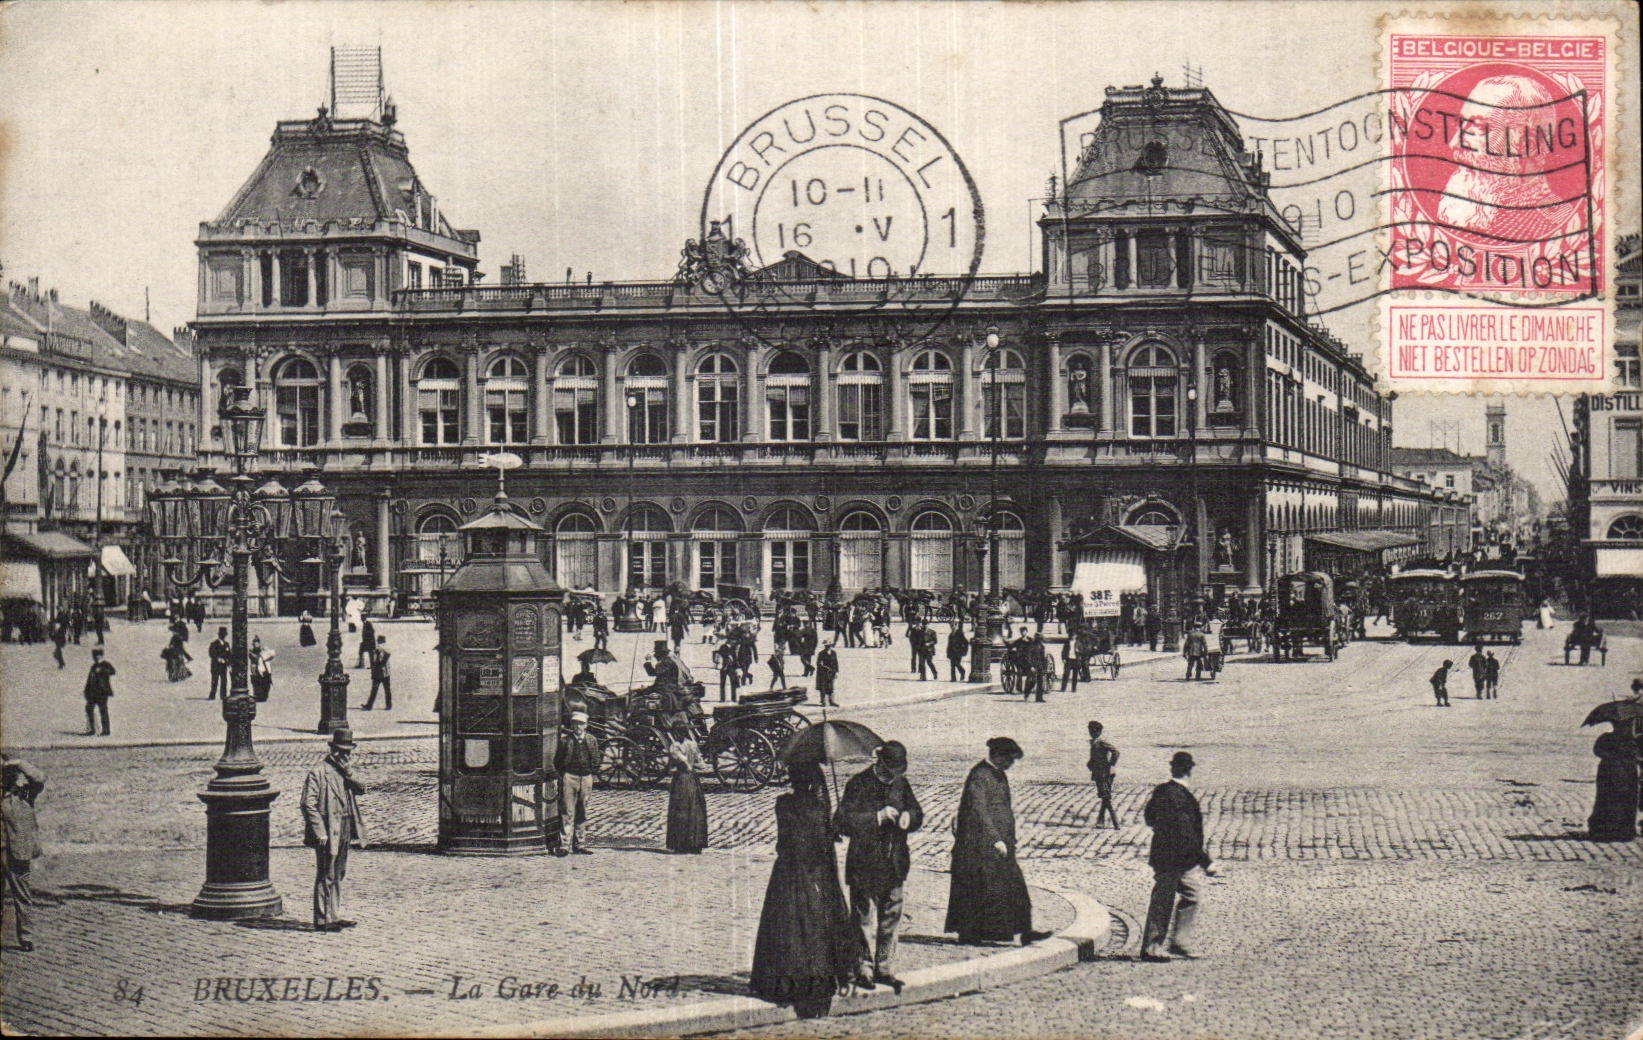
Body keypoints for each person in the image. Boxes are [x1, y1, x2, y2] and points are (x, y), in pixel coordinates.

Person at [750, 762, 858, 1016]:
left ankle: (778, 981)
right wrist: (832, 829)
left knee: (784, 927)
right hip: (814, 875)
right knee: (814, 929)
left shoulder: (784, 805)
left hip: (786, 874)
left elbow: (783, 844)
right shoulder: (819, 812)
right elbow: (821, 849)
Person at [835, 741, 924, 992]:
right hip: (864, 863)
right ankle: (863, 969)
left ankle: (884, 969)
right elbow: (842, 822)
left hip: (894, 862)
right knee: (863, 919)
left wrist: (908, 818)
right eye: (891, 771)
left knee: (891, 917)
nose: (894, 776)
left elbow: (916, 812)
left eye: (898, 771)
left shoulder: (901, 784)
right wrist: (877, 817)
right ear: (880, 763)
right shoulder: (858, 784)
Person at [946, 737, 1051, 946]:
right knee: (976, 890)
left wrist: (1008, 838)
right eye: (1009, 759)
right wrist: (995, 839)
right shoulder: (979, 775)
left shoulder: (999, 775)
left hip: (1000, 845)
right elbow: (978, 810)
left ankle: (1025, 931)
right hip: (978, 847)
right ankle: (969, 934)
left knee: (1016, 888)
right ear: (998, 756)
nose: (1011, 764)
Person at [1140, 751, 1216, 961]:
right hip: (1172, 859)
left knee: (1192, 894)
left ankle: (1180, 943)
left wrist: (1162, 831)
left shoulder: (1162, 790)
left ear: (1172, 768)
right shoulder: (1180, 796)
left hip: (1175, 858)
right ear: (1190, 770)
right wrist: (1205, 861)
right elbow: (1186, 833)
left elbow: (1149, 817)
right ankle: (1151, 947)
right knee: (1163, 901)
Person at [301, 728, 366, 932]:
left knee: (339, 872)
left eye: (349, 752)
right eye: (343, 752)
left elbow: (362, 788)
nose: (347, 756)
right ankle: (322, 919)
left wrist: (349, 773)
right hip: (328, 828)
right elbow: (307, 804)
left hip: (345, 826)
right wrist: (320, 831)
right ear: (333, 751)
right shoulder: (319, 772)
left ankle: (334, 914)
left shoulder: (346, 771)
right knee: (326, 873)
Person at [1, 756, 46, 952]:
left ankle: (26, 937)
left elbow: (40, 778)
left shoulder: (24, 794)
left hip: (17, 852)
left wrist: (19, 762)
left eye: (9, 772)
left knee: (22, 895)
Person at [553, 711, 599, 856]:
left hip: (586, 778)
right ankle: (565, 845)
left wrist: (590, 772)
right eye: (575, 723)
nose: (578, 727)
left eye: (581, 724)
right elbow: (557, 761)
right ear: (572, 725)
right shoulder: (565, 741)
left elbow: (596, 758)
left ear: (586, 725)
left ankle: (580, 843)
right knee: (567, 811)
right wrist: (565, 774)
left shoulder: (591, 740)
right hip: (570, 777)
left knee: (582, 811)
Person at [665, 730, 708, 854]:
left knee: (680, 808)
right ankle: (695, 843)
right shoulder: (692, 744)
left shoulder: (675, 747)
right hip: (693, 779)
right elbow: (700, 763)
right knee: (695, 808)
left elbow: (673, 765)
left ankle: (681, 844)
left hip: (681, 779)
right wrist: (693, 764)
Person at [1087, 721, 1121, 829]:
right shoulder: (1095, 742)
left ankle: (1116, 823)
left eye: (1093, 731)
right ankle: (1101, 821)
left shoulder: (1102, 742)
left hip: (1105, 773)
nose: (1091, 733)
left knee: (1106, 797)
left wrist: (1111, 764)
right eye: (1090, 731)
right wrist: (1090, 764)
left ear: (1099, 732)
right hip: (1099, 773)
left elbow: (1116, 752)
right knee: (1105, 797)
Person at [82, 647, 116, 736]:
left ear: (101, 656)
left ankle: (106, 730)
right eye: (95, 656)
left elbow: (112, 671)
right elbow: (89, 679)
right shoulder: (93, 666)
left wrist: (102, 670)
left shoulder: (106, 664)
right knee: (89, 709)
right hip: (93, 692)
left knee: (103, 710)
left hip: (102, 692)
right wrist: (86, 690)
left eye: (98, 655)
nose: (96, 657)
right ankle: (92, 729)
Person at [362, 635, 392, 710]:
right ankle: (388, 705)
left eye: (379, 641)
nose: (378, 643)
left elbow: (381, 659)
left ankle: (370, 706)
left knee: (376, 690)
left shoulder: (382, 650)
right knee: (384, 690)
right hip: (384, 673)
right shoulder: (380, 650)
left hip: (381, 673)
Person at [206, 626, 230, 700]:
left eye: (224, 635)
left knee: (224, 680)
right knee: (214, 680)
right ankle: (212, 695)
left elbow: (229, 654)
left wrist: (228, 662)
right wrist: (218, 659)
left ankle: (223, 695)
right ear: (219, 635)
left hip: (223, 665)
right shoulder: (214, 644)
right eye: (222, 635)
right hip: (216, 665)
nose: (223, 636)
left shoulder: (226, 644)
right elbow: (211, 653)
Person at [250, 636, 274, 702]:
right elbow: (255, 658)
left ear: (259, 644)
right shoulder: (252, 652)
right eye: (255, 644)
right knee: (257, 683)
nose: (256, 645)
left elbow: (272, 654)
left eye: (257, 643)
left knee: (266, 684)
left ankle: (264, 696)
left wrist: (267, 650)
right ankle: (259, 696)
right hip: (257, 670)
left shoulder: (263, 651)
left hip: (265, 670)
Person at [815, 642, 839, 707]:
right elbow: (818, 663)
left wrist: (836, 672)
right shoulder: (821, 653)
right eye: (826, 646)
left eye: (829, 645)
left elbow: (836, 662)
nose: (828, 647)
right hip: (823, 673)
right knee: (823, 687)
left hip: (831, 672)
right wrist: (824, 667)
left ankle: (831, 701)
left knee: (831, 686)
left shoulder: (833, 653)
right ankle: (823, 701)